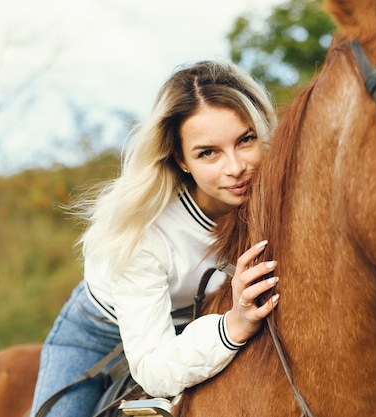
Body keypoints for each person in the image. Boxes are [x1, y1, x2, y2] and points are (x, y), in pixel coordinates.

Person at [30, 59, 279, 417]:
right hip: (101, 333)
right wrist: (235, 325)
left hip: (199, 319)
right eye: (208, 152)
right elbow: (153, 368)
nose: (236, 167)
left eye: (246, 140)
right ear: (181, 158)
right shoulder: (143, 232)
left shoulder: (273, 193)